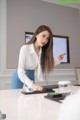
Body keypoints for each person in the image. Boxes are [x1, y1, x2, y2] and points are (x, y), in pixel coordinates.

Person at [14, 25, 64, 91]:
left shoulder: (42, 52)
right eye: (43, 36)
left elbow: (47, 63)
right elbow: (20, 71)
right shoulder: (25, 48)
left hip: (31, 77)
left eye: (47, 38)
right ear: (36, 35)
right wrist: (32, 85)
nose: (45, 40)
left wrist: (58, 59)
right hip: (19, 78)